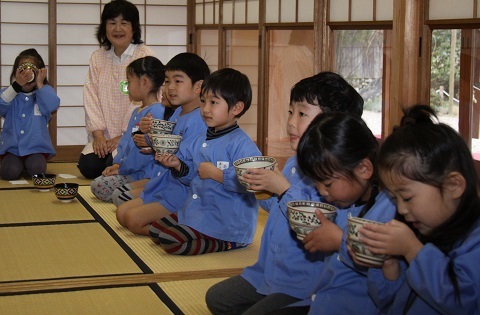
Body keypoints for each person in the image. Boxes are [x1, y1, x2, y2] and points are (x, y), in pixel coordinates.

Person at [205, 72, 364, 314]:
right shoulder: (293, 163)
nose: (291, 121)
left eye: (302, 114)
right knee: (217, 299)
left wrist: (283, 189)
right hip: (269, 272)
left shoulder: (339, 180)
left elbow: (313, 226)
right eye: (291, 112)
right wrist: (263, 190)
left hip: (301, 283)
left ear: (332, 124)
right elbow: (278, 208)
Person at [359, 105, 480, 314]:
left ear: (453, 186)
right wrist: (389, 267)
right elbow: (390, 304)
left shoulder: (474, 240)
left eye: (407, 197)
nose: (402, 209)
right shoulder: (423, 232)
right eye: (395, 199)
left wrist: (412, 250)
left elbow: (466, 302)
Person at [148, 67, 261, 255]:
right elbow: (192, 175)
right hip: (198, 209)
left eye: (214, 103)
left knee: (169, 240)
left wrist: (218, 175)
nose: (205, 109)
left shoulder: (242, 144)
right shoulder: (201, 138)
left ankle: (230, 242)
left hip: (225, 220)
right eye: (203, 102)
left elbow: (253, 182)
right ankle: (196, 230)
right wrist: (177, 165)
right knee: (155, 230)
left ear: (236, 108)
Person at [294, 112, 397, 314]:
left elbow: (389, 290)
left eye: (327, 183)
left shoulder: (390, 210)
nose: (322, 192)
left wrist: (341, 241)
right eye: (316, 183)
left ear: (363, 169)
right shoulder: (347, 202)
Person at [115, 52, 210, 235]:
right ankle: (172, 225)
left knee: (133, 220)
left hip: (180, 191)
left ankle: (179, 230)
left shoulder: (198, 119)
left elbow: (188, 163)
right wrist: (148, 132)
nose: (170, 88)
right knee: (122, 213)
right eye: (167, 81)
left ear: (198, 86)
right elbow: (162, 143)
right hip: (162, 183)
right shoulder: (178, 112)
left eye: (178, 81)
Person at [78, 0, 155, 179]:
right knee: (88, 166)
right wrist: (98, 136)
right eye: (112, 23)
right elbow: (91, 97)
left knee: (112, 165)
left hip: (132, 135)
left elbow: (146, 100)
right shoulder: (98, 57)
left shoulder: (143, 55)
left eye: (124, 23)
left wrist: (122, 136)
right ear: (104, 27)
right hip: (104, 137)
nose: (117, 28)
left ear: (134, 28)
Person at [90, 56, 168, 202]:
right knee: (99, 183)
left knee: (100, 186)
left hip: (143, 173)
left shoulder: (155, 112)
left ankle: (142, 191)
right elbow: (127, 142)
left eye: (129, 81)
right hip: (128, 169)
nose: (127, 86)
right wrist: (118, 164)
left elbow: (142, 153)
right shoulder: (137, 111)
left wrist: (122, 169)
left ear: (144, 82)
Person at [0, 48, 60, 180]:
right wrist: (16, 86)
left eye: (32, 71)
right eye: (22, 71)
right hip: (12, 149)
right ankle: (17, 166)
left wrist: (40, 83)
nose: (27, 76)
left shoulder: (44, 93)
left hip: (36, 149)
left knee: (37, 170)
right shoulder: (10, 94)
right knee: (9, 172)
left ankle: (27, 166)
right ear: (16, 72)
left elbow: (52, 105)